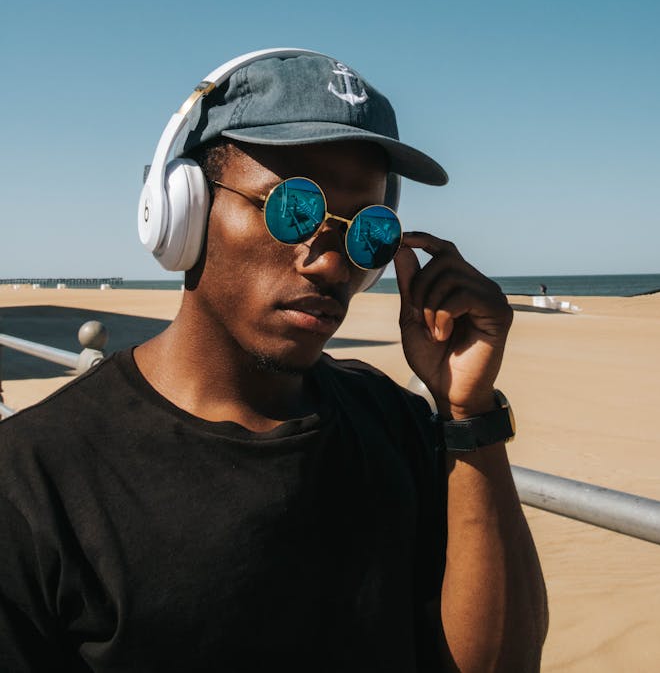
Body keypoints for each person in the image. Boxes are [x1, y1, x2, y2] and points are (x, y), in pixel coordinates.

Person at [0, 49, 547, 672]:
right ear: (185, 209)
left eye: (367, 231)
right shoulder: (32, 483)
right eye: (295, 210)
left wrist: (466, 414)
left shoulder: (395, 423)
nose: (333, 262)